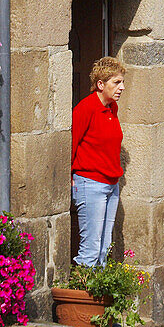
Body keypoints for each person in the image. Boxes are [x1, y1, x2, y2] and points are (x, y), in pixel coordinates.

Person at [71, 57, 126, 267]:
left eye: (122, 82)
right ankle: (81, 295)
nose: (121, 87)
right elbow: (72, 143)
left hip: (111, 184)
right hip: (90, 183)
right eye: (116, 82)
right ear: (101, 84)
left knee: (104, 246)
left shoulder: (112, 109)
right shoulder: (86, 108)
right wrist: (71, 179)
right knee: (91, 247)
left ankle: (99, 296)